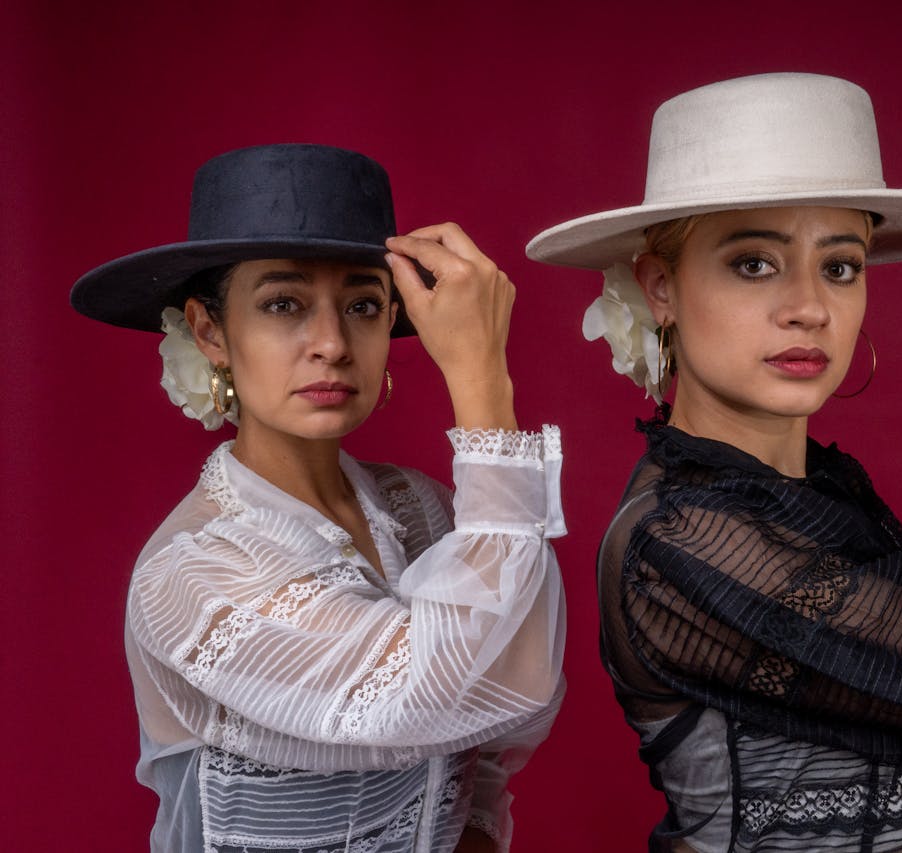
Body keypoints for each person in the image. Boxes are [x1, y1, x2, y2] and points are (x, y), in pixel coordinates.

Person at [527, 73, 902, 852]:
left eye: (841, 265)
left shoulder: (819, 495)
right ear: (661, 287)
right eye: (755, 262)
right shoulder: (680, 543)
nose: (810, 306)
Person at [71, 144, 566, 853]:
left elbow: (508, 710)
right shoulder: (193, 571)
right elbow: (450, 693)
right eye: (284, 304)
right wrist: (483, 379)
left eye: (363, 305)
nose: (332, 343)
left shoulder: (424, 508)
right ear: (211, 330)